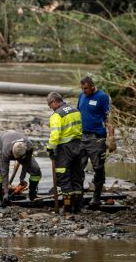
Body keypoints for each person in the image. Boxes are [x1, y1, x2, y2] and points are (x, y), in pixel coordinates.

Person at [46, 90, 84, 213]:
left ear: (54, 102)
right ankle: (78, 207)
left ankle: (67, 208)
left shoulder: (57, 115)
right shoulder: (75, 111)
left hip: (64, 149)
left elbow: (55, 135)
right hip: (78, 146)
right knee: (77, 177)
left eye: (49, 105)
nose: (50, 108)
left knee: (64, 178)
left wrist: (50, 148)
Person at [77, 75, 112, 208]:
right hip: (81, 136)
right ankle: (78, 196)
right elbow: (78, 113)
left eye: (86, 88)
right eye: (82, 88)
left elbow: (109, 118)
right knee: (78, 166)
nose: (84, 91)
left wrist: (111, 137)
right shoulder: (81, 96)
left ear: (92, 87)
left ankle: (96, 197)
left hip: (96, 137)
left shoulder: (102, 97)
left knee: (98, 167)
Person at [0, 131, 43, 207]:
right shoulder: (6, 149)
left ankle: (32, 193)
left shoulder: (29, 146)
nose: (16, 159)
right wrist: (6, 192)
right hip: (1, 146)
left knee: (36, 170)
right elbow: (5, 171)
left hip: (23, 153)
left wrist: (22, 179)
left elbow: (26, 164)